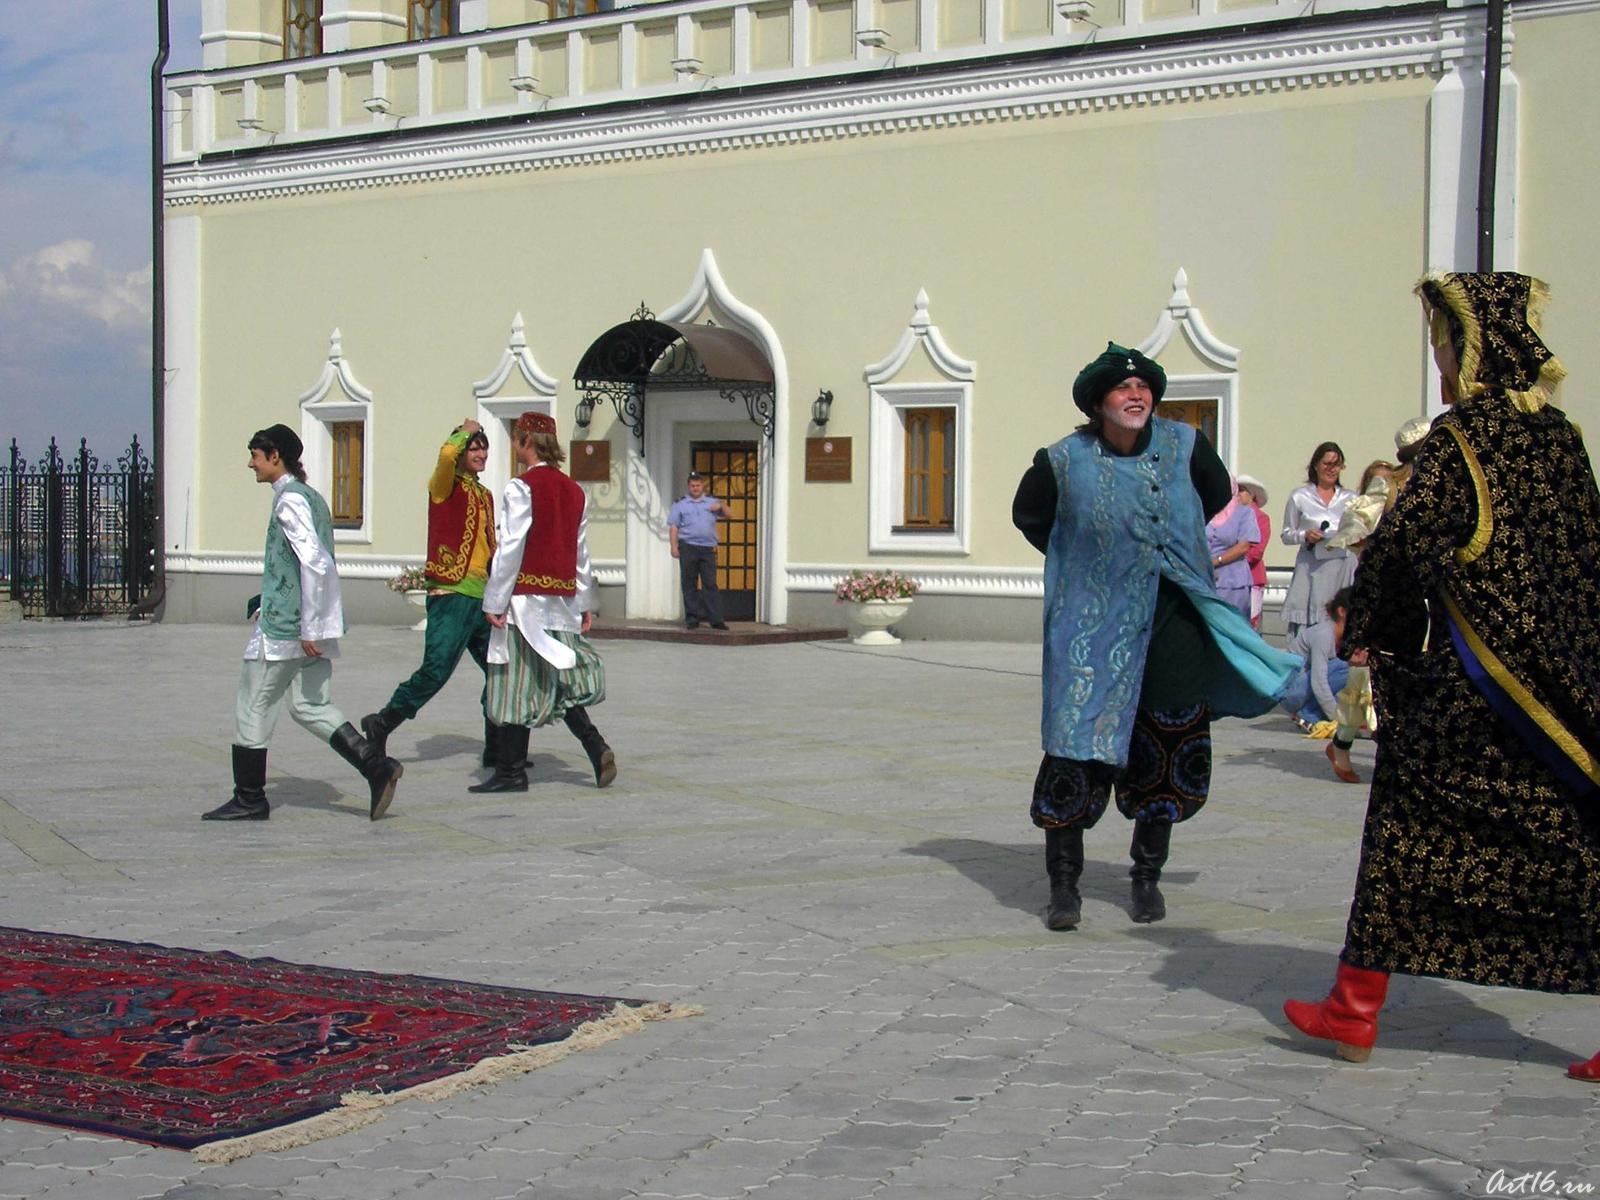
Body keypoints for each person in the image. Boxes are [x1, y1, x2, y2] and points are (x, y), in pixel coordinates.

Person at [1283, 272, 1600, 1079]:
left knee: (1404, 832)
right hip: (1564, 684)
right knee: (1577, 843)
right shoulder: (1562, 438)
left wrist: (1373, 637)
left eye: (1445, 344)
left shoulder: (1460, 443)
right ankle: (1351, 1007)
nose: (1441, 360)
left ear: (1474, 349)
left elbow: (1399, 548)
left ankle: (1353, 1010)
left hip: (1474, 684)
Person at [1012, 343, 1301, 930]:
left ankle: (1146, 878)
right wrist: (1085, 567)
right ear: (1098, 402)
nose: (1136, 394)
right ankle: (1064, 887)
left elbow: (1215, 497)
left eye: (1145, 386)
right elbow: (1031, 517)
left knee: (1166, 747)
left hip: (1173, 625)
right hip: (1091, 633)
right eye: (1123, 388)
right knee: (1076, 748)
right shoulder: (1062, 461)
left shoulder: (1187, 448)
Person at [203, 424, 403, 822]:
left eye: (256, 456)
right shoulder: (311, 497)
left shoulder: (290, 501)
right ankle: (375, 766)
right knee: (311, 704)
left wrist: (309, 626)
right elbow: (308, 564)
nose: (251, 463)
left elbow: (315, 562)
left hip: (287, 630)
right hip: (308, 625)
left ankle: (250, 796)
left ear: (275, 456)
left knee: (254, 704)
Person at [474, 412, 616, 793]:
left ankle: (510, 771)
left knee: (515, 682)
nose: (515, 445)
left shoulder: (521, 488)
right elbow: (580, 553)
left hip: (525, 604)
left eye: (516, 438)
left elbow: (511, 548)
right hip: (563, 601)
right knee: (558, 680)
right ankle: (594, 744)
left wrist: (495, 600)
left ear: (526, 440)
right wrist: (587, 602)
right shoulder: (575, 491)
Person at [360, 419, 497, 765]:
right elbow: (447, 455)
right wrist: (463, 431)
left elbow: (488, 543)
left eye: (483, 447)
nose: (480, 453)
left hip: (482, 596)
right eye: (474, 447)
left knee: (500, 671)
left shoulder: (485, 494)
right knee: (436, 671)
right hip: (451, 593)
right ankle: (382, 722)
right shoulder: (444, 485)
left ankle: (499, 749)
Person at [1280, 441, 1356, 636]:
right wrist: (1305, 535)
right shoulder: (1299, 496)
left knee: (1338, 617)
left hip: (1341, 565)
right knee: (1311, 624)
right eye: (1327, 464)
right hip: (1311, 566)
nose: (1331, 469)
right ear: (1316, 465)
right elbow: (1287, 534)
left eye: (1336, 464)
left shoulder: (1350, 498)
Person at [1279, 587, 1353, 733]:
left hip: (1305, 688)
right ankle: (1309, 715)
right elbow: (1319, 682)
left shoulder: (1345, 639)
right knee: (1347, 666)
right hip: (1291, 692)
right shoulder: (1323, 635)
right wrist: (1337, 717)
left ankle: (1313, 715)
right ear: (1342, 611)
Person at [667, 471, 731, 631]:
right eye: (692, 485)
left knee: (710, 584)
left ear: (702, 486)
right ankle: (692, 620)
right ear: (689, 486)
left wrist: (722, 505)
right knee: (689, 584)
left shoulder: (712, 502)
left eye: (698, 485)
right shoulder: (679, 504)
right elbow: (673, 527)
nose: (695, 488)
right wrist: (673, 546)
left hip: (707, 549)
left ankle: (716, 620)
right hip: (688, 547)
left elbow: (730, 515)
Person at [1205, 477, 1261, 620]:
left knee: (1233, 628)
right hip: (1203, 580)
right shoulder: (1202, 512)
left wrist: (1215, 561)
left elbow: (1243, 547)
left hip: (1234, 583)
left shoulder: (1244, 513)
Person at [1235, 475, 1270, 630]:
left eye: (1241, 491)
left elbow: (1257, 551)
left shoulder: (1261, 518)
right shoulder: (1232, 516)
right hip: (1232, 579)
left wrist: (1232, 561)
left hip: (1252, 577)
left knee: (1250, 625)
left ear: (1253, 494)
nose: (1237, 494)